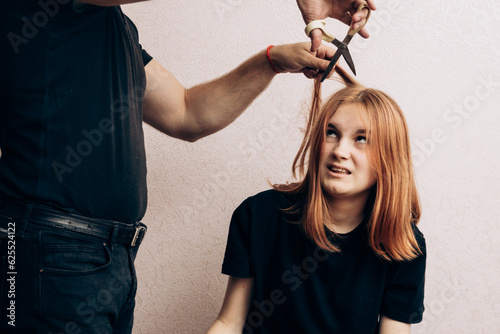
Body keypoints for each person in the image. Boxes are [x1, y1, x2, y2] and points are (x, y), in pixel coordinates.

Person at [0, 1, 373, 333]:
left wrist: (272, 60)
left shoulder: (115, 29)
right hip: (48, 249)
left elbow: (187, 113)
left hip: (108, 259)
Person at [207, 67, 426, 334]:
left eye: (361, 139)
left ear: (389, 159)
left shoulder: (404, 244)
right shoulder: (257, 215)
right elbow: (229, 322)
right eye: (331, 133)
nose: (340, 151)